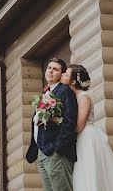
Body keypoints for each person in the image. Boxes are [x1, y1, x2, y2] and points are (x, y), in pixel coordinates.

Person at [61, 64, 113, 191]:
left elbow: (79, 126)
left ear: (72, 81)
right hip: (78, 139)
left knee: (90, 170)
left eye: (66, 74)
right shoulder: (70, 98)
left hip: (87, 138)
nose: (62, 75)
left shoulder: (84, 97)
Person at [26, 57, 79, 191]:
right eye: (49, 68)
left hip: (56, 152)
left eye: (55, 69)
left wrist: (58, 148)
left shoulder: (65, 91)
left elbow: (69, 121)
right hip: (41, 152)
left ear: (62, 74)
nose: (50, 71)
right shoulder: (45, 94)